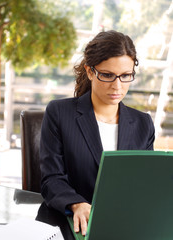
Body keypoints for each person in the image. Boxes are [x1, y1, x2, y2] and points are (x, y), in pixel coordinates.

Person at [39, 30, 155, 236]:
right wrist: (75, 203)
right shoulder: (59, 113)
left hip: (124, 227)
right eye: (108, 75)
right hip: (71, 224)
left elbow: (144, 186)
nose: (117, 86)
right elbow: (52, 178)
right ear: (90, 71)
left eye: (126, 76)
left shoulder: (143, 124)